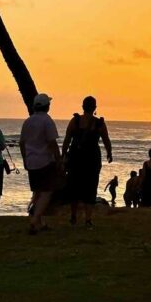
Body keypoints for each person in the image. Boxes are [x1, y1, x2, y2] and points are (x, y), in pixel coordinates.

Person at [62, 96, 112, 227]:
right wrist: (109, 153)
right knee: (90, 187)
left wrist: (63, 154)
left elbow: (67, 139)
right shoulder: (99, 123)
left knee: (74, 186)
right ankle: (88, 219)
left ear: (82, 106)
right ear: (95, 108)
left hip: (75, 158)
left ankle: (73, 216)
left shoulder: (75, 120)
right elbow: (106, 140)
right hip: (92, 158)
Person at [19, 93, 61, 234]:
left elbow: (21, 143)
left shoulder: (28, 121)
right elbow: (52, 142)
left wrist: (25, 159)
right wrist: (59, 159)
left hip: (31, 161)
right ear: (47, 107)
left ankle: (39, 222)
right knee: (47, 192)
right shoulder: (47, 121)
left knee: (37, 192)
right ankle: (35, 218)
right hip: (45, 161)